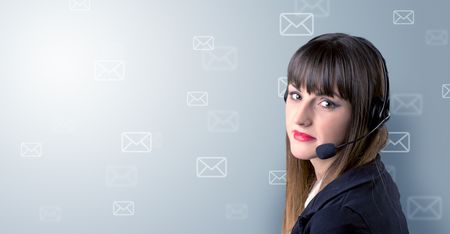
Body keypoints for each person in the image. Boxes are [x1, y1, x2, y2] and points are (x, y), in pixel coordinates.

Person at [281, 33, 409, 234]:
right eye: (296, 95)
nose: (299, 118)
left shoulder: (338, 219)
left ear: (368, 115)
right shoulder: (372, 180)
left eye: (326, 103)